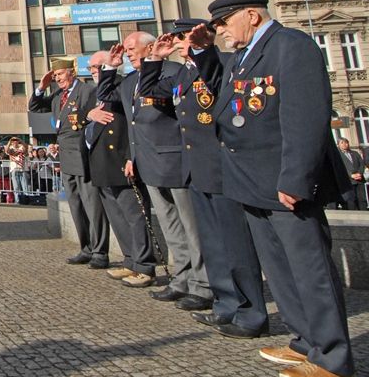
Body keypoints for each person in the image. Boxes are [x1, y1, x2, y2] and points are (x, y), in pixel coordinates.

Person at [194, 0, 354, 377]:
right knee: (281, 271)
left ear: (251, 15)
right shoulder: (243, 57)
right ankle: (305, 341)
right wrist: (203, 52)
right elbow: (224, 105)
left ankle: (333, 357)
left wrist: (296, 178)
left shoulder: (289, 46)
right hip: (251, 182)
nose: (221, 31)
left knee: (310, 270)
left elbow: (305, 118)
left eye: (224, 22)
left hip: (285, 183)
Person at [140, 21, 268, 334]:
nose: (177, 44)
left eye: (181, 38)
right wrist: (155, 59)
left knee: (236, 246)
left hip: (222, 168)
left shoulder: (221, 64)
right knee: (213, 245)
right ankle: (226, 304)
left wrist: (203, 51)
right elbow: (150, 92)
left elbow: (218, 86)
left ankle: (250, 311)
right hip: (196, 169)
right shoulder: (181, 74)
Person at [101, 34, 211, 306]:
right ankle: (181, 279)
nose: (127, 54)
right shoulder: (129, 82)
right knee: (171, 227)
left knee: (192, 228)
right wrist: (110, 68)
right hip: (149, 163)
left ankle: (203, 283)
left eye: (130, 49)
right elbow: (107, 96)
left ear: (150, 48)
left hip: (176, 160)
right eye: (125, 51)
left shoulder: (174, 72)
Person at [84, 50, 157, 288]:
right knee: (117, 218)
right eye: (91, 68)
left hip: (120, 160)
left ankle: (144, 264)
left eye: (96, 66)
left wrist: (130, 157)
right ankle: (129, 260)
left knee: (135, 216)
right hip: (101, 163)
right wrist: (89, 115)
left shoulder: (123, 85)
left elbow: (132, 125)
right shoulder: (98, 92)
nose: (92, 71)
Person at [29, 56, 109, 269]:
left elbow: (93, 118)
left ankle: (100, 251)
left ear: (72, 72)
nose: (57, 79)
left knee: (92, 205)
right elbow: (35, 107)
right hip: (66, 157)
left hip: (83, 155)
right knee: (76, 205)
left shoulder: (87, 91)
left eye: (60, 74)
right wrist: (41, 87)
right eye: (55, 76)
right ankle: (86, 248)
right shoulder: (57, 96)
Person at [337, 138, 366, 210]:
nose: (344, 144)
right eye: (342, 143)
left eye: (346, 142)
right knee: (351, 200)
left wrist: (360, 173)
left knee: (362, 199)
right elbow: (340, 167)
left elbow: (361, 164)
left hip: (359, 180)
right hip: (348, 181)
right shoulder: (337, 155)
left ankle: (364, 213)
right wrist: (351, 175)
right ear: (338, 145)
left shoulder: (355, 153)